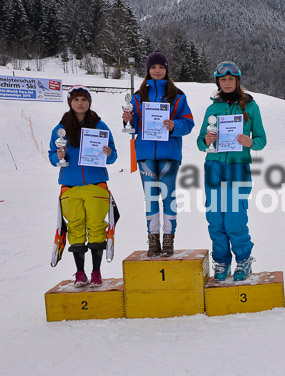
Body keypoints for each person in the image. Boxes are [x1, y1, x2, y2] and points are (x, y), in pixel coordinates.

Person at [197, 61, 267, 281]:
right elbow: (200, 142)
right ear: (218, 82)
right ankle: (222, 261)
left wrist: (249, 142)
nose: (227, 83)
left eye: (231, 79)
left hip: (238, 166)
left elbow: (261, 140)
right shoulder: (212, 108)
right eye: (223, 79)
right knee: (215, 218)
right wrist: (206, 140)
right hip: (214, 166)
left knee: (235, 219)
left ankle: (244, 260)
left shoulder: (250, 106)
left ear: (237, 81)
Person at [122, 50, 195, 256]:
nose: (157, 70)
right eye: (153, 67)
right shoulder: (138, 97)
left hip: (169, 153)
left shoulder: (178, 96)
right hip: (145, 152)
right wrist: (127, 119)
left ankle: (168, 238)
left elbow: (188, 123)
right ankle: (153, 239)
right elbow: (134, 126)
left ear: (166, 70)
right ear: (148, 70)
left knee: (168, 196)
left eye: (161, 67)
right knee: (150, 197)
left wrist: (174, 126)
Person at [48, 85, 118, 287]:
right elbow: (53, 154)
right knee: (75, 228)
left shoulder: (100, 125)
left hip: (96, 185)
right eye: (76, 99)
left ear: (89, 102)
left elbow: (113, 155)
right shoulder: (60, 128)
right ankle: (80, 273)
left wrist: (107, 153)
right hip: (70, 186)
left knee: (97, 227)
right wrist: (57, 156)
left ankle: (96, 272)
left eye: (84, 99)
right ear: (70, 102)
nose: (80, 103)